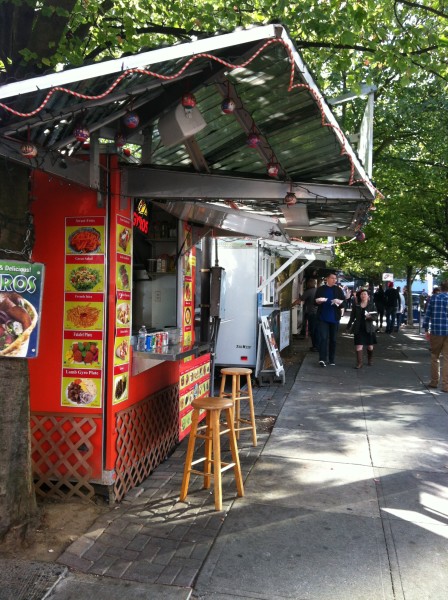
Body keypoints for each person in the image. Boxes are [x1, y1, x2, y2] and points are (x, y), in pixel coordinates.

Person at [314, 272, 345, 367]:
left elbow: (343, 303)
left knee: (333, 339)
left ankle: (331, 359)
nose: (334, 280)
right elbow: (315, 302)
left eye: (335, 278)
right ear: (327, 279)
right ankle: (322, 359)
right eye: (332, 278)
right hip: (323, 317)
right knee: (323, 338)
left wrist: (338, 303)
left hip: (334, 318)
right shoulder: (320, 289)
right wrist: (318, 301)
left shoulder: (338, 290)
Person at [422, 280, 448, 392]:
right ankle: (446, 385)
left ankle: (434, 381)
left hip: (436, 331)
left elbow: (427, 314)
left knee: (434, 357)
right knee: (447, 359)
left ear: (441, 287)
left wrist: (426, 329)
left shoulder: (434, 298)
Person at [347, 289, 378, 368]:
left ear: (368, 296)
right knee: (358, 345)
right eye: (361, 294)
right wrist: (349, 326)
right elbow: (352, 317)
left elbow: (375, 317)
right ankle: (359, 363)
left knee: (370, 346)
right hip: (358, 328)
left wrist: (370, 317)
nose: (363, 296)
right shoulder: (356, 306)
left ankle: (370, 359)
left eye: (365, 294)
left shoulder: (372, 305)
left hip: (369, 328)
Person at [298, 278, 319, 351]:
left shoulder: (308, 291)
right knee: (317, 330)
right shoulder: (317, 290)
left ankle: (315, 346)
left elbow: (300, 300)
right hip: (318, 313)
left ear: (309, 284)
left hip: (312, 313)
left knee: (312, 330)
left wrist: (290, 305)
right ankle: (317, 346)